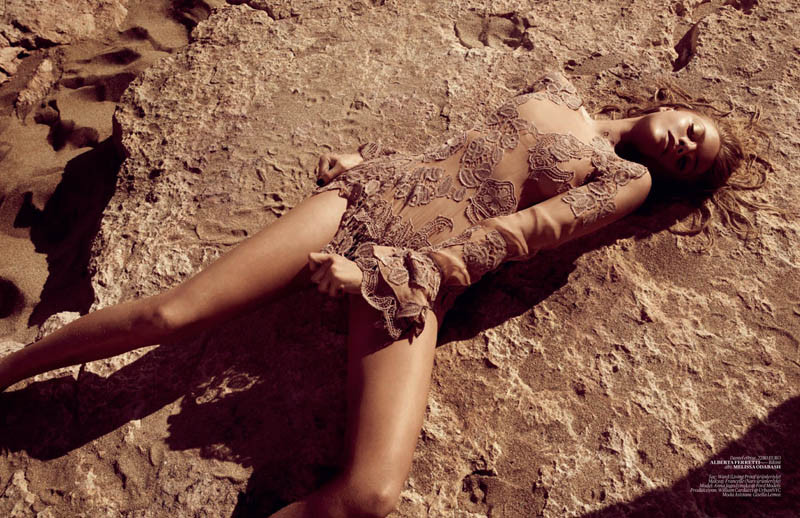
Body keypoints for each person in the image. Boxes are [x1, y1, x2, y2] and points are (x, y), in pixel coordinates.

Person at [0, 72, 762, 517]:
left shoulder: (625, 181)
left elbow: (520, 236)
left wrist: (378, 276)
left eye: (689, 162)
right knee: (170, 313)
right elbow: (455, 153)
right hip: (368, 196)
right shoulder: (557, 87)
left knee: (370, 494)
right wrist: (365, 160)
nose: (682, 145)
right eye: (694, 131)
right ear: (679, 104)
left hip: (415, 272)